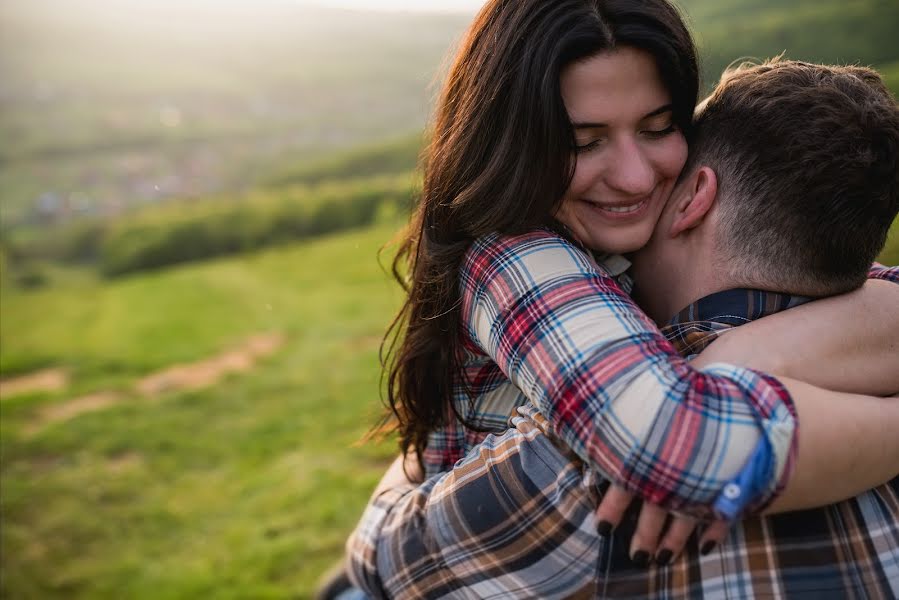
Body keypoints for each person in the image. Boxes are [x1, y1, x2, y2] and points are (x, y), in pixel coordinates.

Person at [326, 0, 899, 596]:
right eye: (584, 141)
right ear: (517, 143)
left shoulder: (637, 266)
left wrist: (747, 356)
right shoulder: (515, 251)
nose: (633, 176)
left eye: (657, 128)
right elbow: (670, 443)